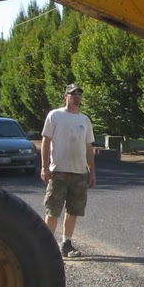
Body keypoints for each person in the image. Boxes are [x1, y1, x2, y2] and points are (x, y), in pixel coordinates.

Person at [39, 83, 96, 258]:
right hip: (59, 172)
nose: (76, 96)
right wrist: (44, 167)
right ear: (65, 96)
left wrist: (92, 172)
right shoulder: (55, 116)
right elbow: (46, 142)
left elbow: (88, 148)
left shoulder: (84, 120)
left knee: (73, 211)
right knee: (53, 210)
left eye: (79, 94)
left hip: (79, 173)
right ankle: (45, 246)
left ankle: (67, 244)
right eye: (72, 94)